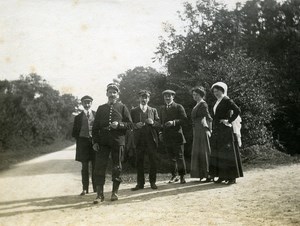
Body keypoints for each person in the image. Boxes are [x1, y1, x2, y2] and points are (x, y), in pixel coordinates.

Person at [92, 83, 132, 203]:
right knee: (99, 167)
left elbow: (130, 125)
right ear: (106, 94)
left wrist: (119, 125)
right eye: (110, 92)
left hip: (117, 141)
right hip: (103, 142)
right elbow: (95, 128)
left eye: (114, 92)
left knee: (117, 167)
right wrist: (95, 141)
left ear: (117, 94)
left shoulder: (123, 107)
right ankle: (100, 195)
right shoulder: (100, 108)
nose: (112, 94)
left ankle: (114, 192)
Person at [209, 82, 244, 185]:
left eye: (218, 91)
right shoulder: (217, 101)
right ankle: (222, 175)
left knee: (228, 153)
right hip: (218, 130)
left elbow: (237, 110)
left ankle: (232, 177)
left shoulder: (227, 100)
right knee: (219, 152)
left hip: (225, 130)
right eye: (214, 91)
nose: (216, 93)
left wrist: (228, 121)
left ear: (222, 91)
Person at [130, 90, 160, 191]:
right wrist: (135, 125)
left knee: (153, 161)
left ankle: (152, 182)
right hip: (139, 140)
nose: (144, 99)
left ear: (148, 99)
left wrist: (153, 123)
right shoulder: (134, 111)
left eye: (146, 97)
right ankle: (140, 184)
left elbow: (159, 123)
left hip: (151, 140)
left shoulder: (153, 110)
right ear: (139, 98)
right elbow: (129, 124)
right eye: (142, 97)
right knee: (139, 162)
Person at [159, 89, 187, 184]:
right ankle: (174, 176)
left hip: (177, 136)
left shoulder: (178, 107)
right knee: (171, 158)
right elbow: (161, 123)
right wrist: (160, 133)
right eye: (165, 96)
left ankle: (182, 176)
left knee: (179, 157)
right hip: (167, 137)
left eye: (169, 96)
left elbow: (184, 120)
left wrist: (174, 122)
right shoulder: (162, 109)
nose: (167, 98)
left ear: (173, 97)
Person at [72, 95, 96, 195]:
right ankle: (85, 188)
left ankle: (96, 188)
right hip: (83, 144)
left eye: (88, 102)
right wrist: (81, 139)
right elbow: (74, 133)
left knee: (95, 166)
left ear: (91, 103)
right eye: (85, 103)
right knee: (85, 167)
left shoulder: (96, 114)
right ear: (82, 104)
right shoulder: (78, 117)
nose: (87, 104)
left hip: (94, 143)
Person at [190, 86, 213, 182]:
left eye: (196, 95)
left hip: (202, 130)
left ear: (201, 95)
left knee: (204, 151)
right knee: (198, 151)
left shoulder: (203, 104)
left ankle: (208, 174)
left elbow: (209, 118)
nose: (194, 97)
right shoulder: (197, 104)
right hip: (197, 130)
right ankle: (201, 173)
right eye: (193, 95)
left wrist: (209, 130)